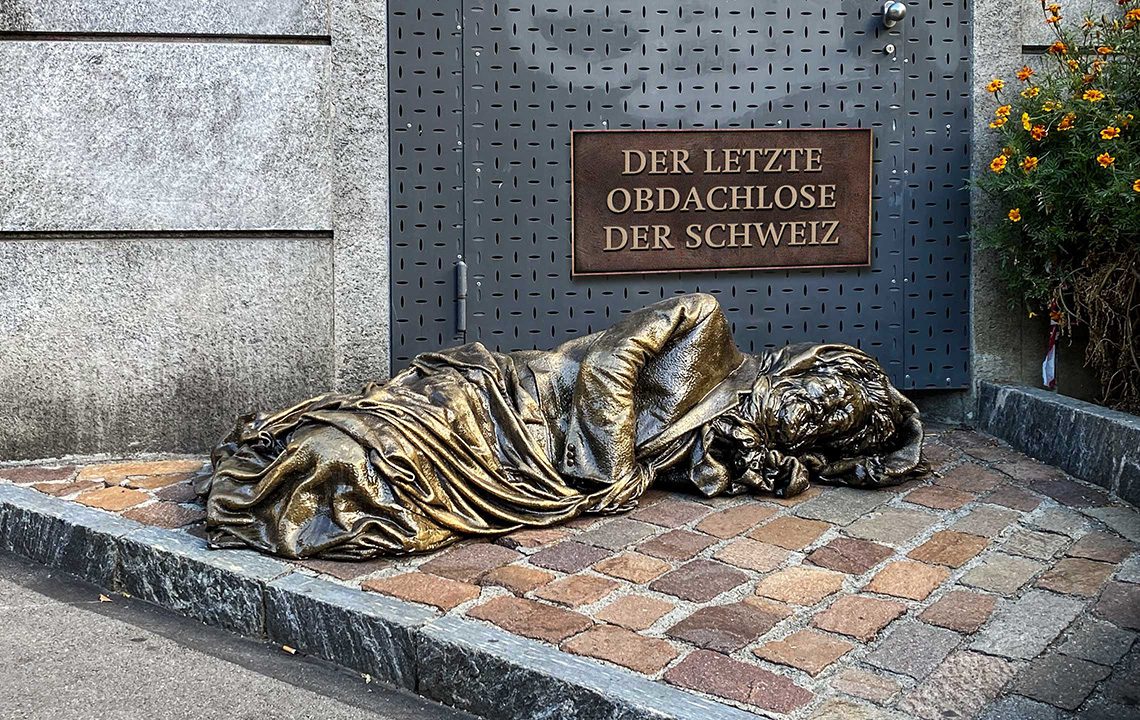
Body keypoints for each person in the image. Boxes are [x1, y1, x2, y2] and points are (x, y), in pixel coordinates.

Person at [197, 293, 926, 560]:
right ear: (800, 367)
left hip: (537, 472)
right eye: (828, 393)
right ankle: (288, 464)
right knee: (343, 451)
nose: (817, 412)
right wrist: (612, 468)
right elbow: (610, 364)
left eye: (834, 423)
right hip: (516, 401)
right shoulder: (706, 326)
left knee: (364, 486)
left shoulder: (751, 451)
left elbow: (841, 462)